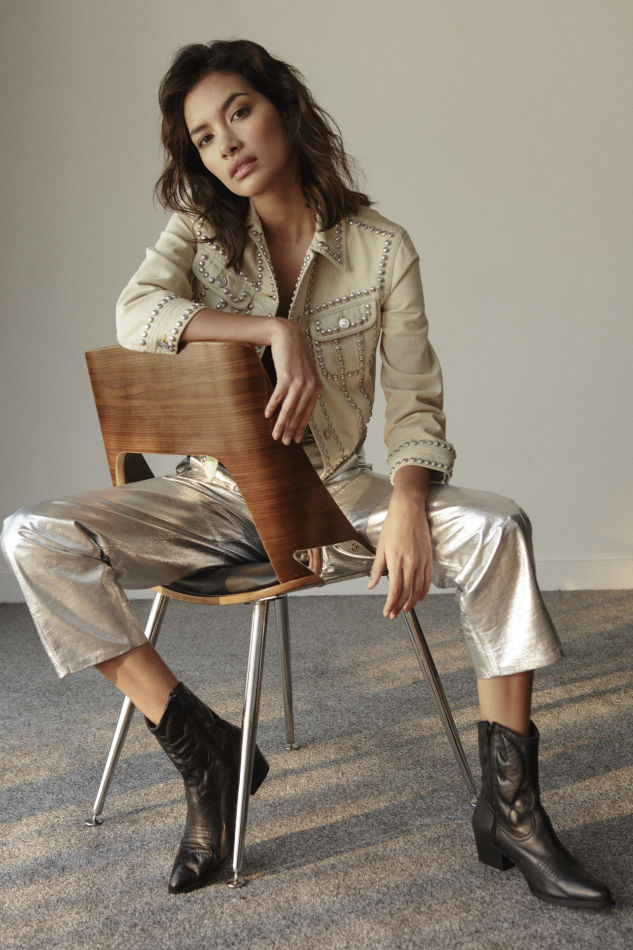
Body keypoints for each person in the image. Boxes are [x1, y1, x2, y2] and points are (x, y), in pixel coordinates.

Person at [1, 39, 612, 907]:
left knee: (497, 528)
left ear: (283, 108)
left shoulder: (381, 249)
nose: (226, 144)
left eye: (238, 113)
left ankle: (511, 812)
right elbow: (135, 313)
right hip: (211, 496)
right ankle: (206, 750)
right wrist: (270, 331)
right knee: (34, 537)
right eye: (204, 137)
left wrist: (409, 501)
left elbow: (415, 404)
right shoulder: (198, 232)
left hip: (338, 493)